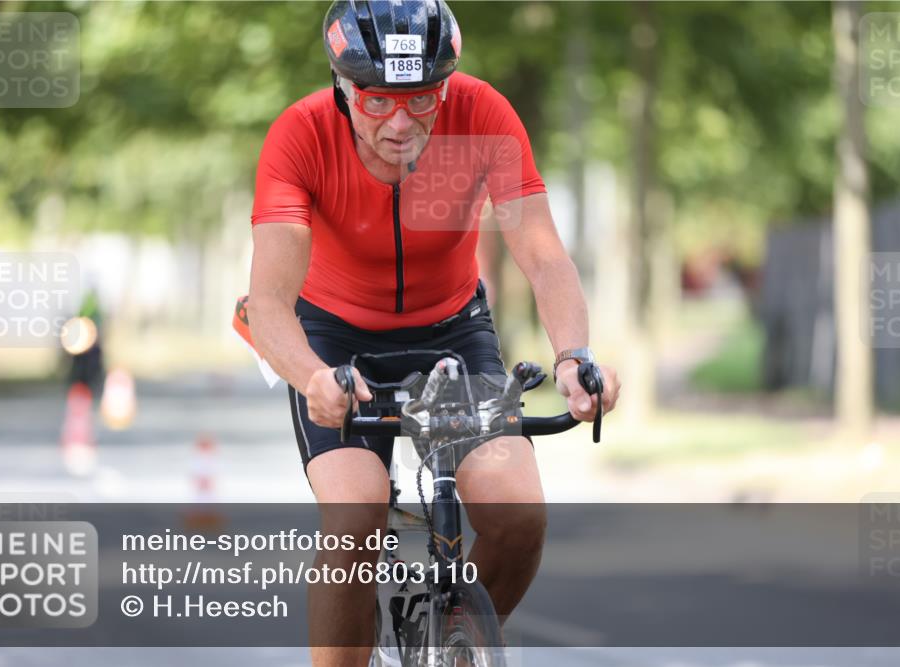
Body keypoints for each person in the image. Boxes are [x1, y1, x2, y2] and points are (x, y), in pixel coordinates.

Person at [247, 1, 621, 664]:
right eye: (376, 102)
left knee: (518, 515)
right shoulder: (299, 135)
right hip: (334, 340)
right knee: (356, 516)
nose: (400, 123)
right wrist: (311, 376)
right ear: (343, 88)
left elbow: (542, 254)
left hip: (451, 330)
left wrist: (573, 357)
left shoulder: (483, 116)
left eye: (421, 100)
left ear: (445, 84)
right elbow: (271, 301)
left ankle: (455, 640)